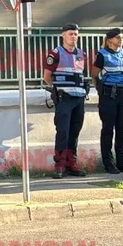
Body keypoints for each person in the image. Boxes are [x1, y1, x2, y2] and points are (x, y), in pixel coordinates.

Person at [42, 24, 90, 177]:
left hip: (79, 99)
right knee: (63, 132)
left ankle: (71, 164)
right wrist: (58, 89)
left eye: (75, 34)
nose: (73, 37)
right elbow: (47, 77)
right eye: (70, 34)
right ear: (63, 36)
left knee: (74, 132)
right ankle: (60, 166)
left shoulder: (82, 53)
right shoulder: (56, 53)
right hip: (64, 99)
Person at [92, 28, 123, 174]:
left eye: (122, 37)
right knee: (108, 129)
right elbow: (94, 74)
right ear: (110, 40)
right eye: (118, 37)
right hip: (109, 95)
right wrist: (100, 91)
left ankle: (121, 162)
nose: (121, 40)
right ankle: (108, 163)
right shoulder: (102, 54)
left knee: (122, 129)